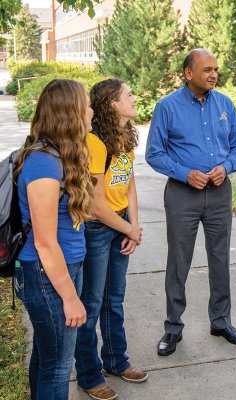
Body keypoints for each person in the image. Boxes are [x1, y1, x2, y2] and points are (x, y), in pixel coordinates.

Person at [146, 48, 236, 357]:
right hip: (182, 195)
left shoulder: (225, 104)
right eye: (206, 69)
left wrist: (226, 167)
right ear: (188, 73)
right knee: (179, 262)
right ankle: (173, 328)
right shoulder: (167, 107)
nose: (213, 74)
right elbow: (154, 152)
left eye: (215, 69)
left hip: (219, 192)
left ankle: (221, 322)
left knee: (220, 259)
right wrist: (183, 173)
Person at [13, 79, 93, 400]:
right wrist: (71, 298)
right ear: (68, 113)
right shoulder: (44, 164)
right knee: (58, 367)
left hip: (60, 269)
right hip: (47, 275)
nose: (90, 111)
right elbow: (45, 243)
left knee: (47, 357)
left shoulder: (57, 156)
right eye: (85, 104)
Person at [74, 79, 147, 400]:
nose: (134, 98)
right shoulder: (94, 143)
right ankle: (89, 376)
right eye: (128, 94)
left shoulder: (125, 136)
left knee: (114, 300)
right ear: (112, 104)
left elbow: (128, 184)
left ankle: (117, 361)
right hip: (97, 229)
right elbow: (95, 203)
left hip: (119, 223)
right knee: (90, 305)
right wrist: (127, 228)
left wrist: (134, 223)